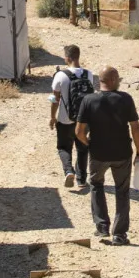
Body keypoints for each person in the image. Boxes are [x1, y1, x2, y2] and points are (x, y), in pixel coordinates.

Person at [73, 66, 139, 245]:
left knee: (96, 186)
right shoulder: (126, 99)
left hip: (98, 154)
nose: (119, 81)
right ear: (112, 79)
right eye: (118, 78)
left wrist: (89, 144)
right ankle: (119, 234)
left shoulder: (88, 100)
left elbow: (79, 131)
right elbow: (135, 127)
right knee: (122, 191)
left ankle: (102, 226)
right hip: (122, 154)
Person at [49, 44, 95, 190]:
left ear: (66, 58)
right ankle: (81, 179)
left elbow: (55, 99)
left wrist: (52, 117)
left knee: (63, 147)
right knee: (82, 148)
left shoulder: (60, 76)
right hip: (83, 120)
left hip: (65, 119)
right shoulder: (89, 74)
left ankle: (69, 171)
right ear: (78, 56)